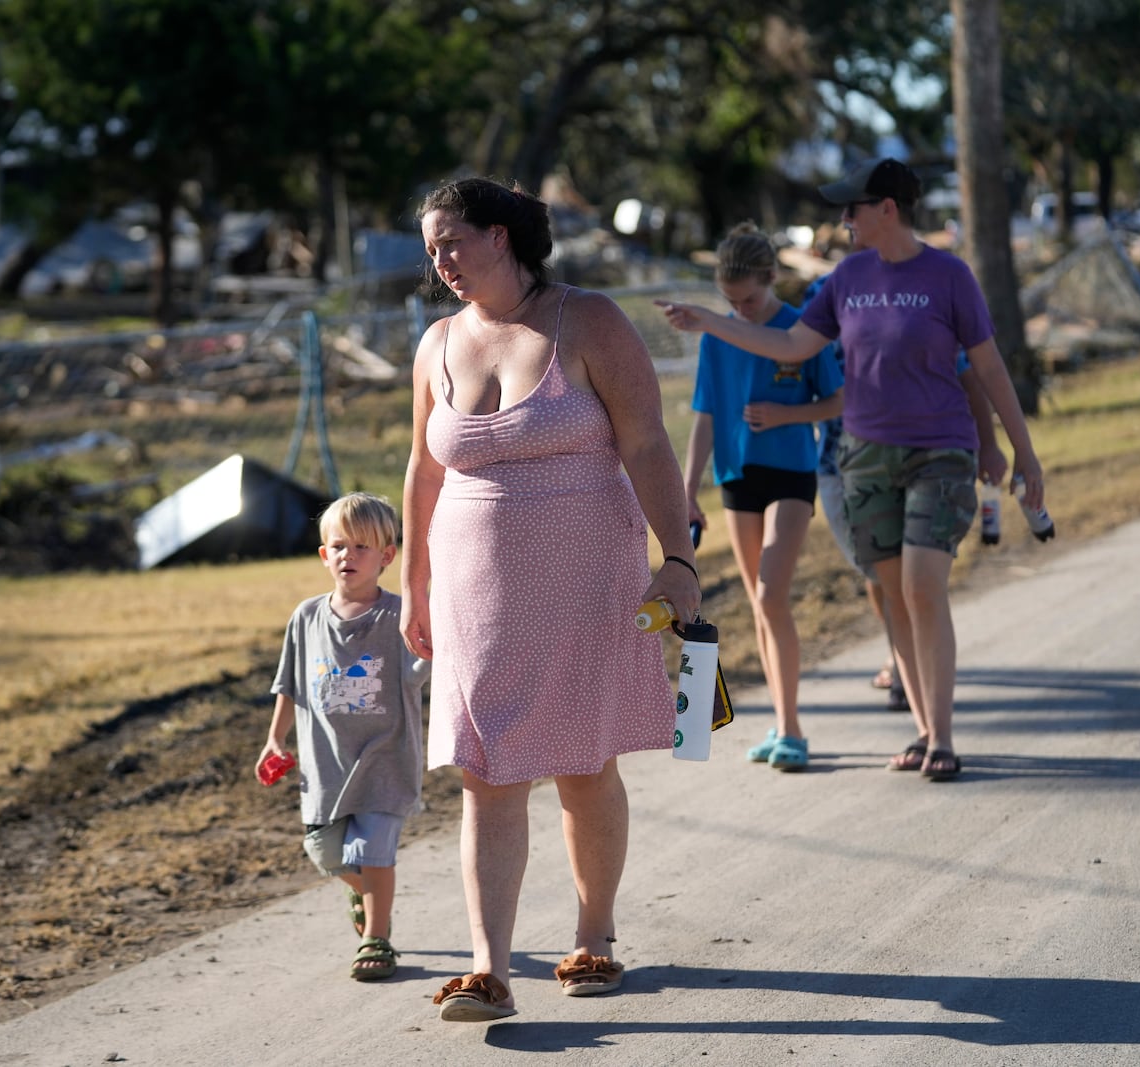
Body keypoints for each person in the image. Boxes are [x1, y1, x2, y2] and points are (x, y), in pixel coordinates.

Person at [401, 177, 699, 1022]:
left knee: (581, 764)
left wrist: (676, 556)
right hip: (471, 591)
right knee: (485, 771)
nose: (441, 260)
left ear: (502, 236)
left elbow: (646, 442)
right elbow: (425, 467)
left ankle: (594, 938)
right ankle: (488, 968)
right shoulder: (435, 344)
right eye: (432, 248)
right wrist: (413, 583)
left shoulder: (589, 320)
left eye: (453, 241)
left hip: (586, 577)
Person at [660, 157, 1044, 782]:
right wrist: (708, 322)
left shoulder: (949, 277)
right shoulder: (846, 279)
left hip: (939, 451)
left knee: (922, 583)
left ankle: (942, 737)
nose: (844, 220)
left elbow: (989, 368)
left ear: (887, 208)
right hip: (865, 459)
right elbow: (790, 346)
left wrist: (1019, 451)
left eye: (853, 208)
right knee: (893, 591)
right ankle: (923, 731)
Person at [802, 275, 1009, 713]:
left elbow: (972, 374)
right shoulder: (820, 299)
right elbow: (789, 358)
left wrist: (991, 445)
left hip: (918, 456)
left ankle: (918, 692)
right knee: (878, 575)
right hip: (839, 466)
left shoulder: (914, 306)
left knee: (912, 580)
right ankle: (905, 663)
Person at [684, 223, 842, 771]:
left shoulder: (802, 330)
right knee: (758, 602)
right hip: (737, 477)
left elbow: (838, 399)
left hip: (792, 473)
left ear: (772, 278)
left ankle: (793, 730)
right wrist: (687, 491)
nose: (741, 310)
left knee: (772, 593)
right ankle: (779, 722)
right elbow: (704, 416)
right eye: (730, 302)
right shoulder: (718, 337)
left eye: (749, 298)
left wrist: (788, 414)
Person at [256, 492, 430, 982]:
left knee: (370, 851)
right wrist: (275, 740)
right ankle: (366, 894)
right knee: (325, 852)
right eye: (337, 547)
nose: (347, 556)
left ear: (387, 556)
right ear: (322, 554)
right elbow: (288, 684)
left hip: (384, 760)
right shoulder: (306, 617)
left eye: (360, 547)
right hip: (324, 766)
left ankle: (377, 937)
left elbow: (427, 663)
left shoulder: (399, 616)